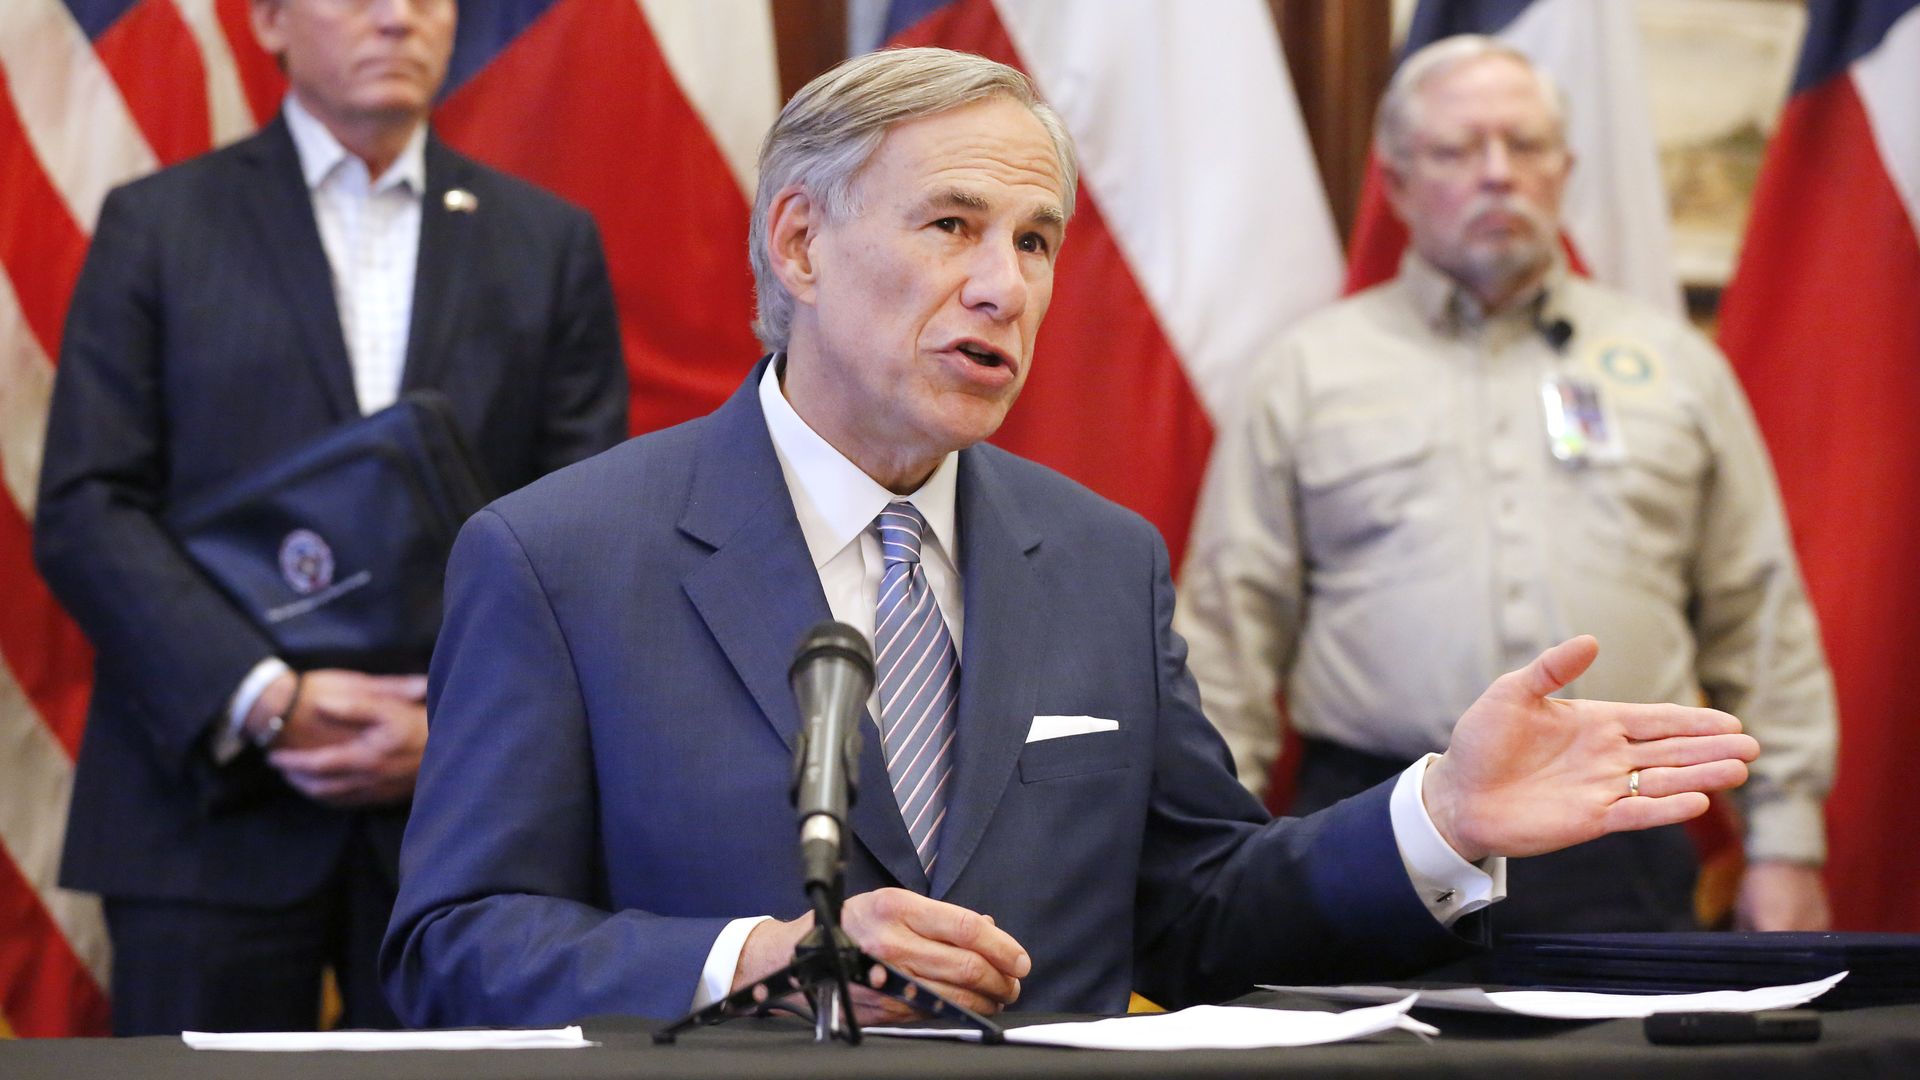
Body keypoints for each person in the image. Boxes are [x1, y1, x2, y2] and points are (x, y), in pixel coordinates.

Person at [380, 47, 1757, 1029]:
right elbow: (455, 949)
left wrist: (1434, 818)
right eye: (952, 225)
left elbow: (1198, 909)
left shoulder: (1100, 558)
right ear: (798, 245)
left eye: (1037, 242)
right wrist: (765, 953)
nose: (1003, 287)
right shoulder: (561, 557)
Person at [33, 0, 627, 1035]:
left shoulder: (550, 241)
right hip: (207, 814)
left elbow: (585, 530)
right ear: (267, 22)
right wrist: (264, 697)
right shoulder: (157, 224)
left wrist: (453, 727)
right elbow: (90, 507)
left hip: (465, 823)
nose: (398, 18)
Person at [1176, 35, 1834, 938]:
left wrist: (1786, 843)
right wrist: (1219, 852)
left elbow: (1757, 611)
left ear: (1564, 170)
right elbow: (1229, 627)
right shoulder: (1305, 371)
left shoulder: (1679, 367)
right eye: (1457, 150)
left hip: (1622, 827)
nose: (1497, 174)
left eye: (1524, 146)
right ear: (1398, 184)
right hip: (1379, 820)